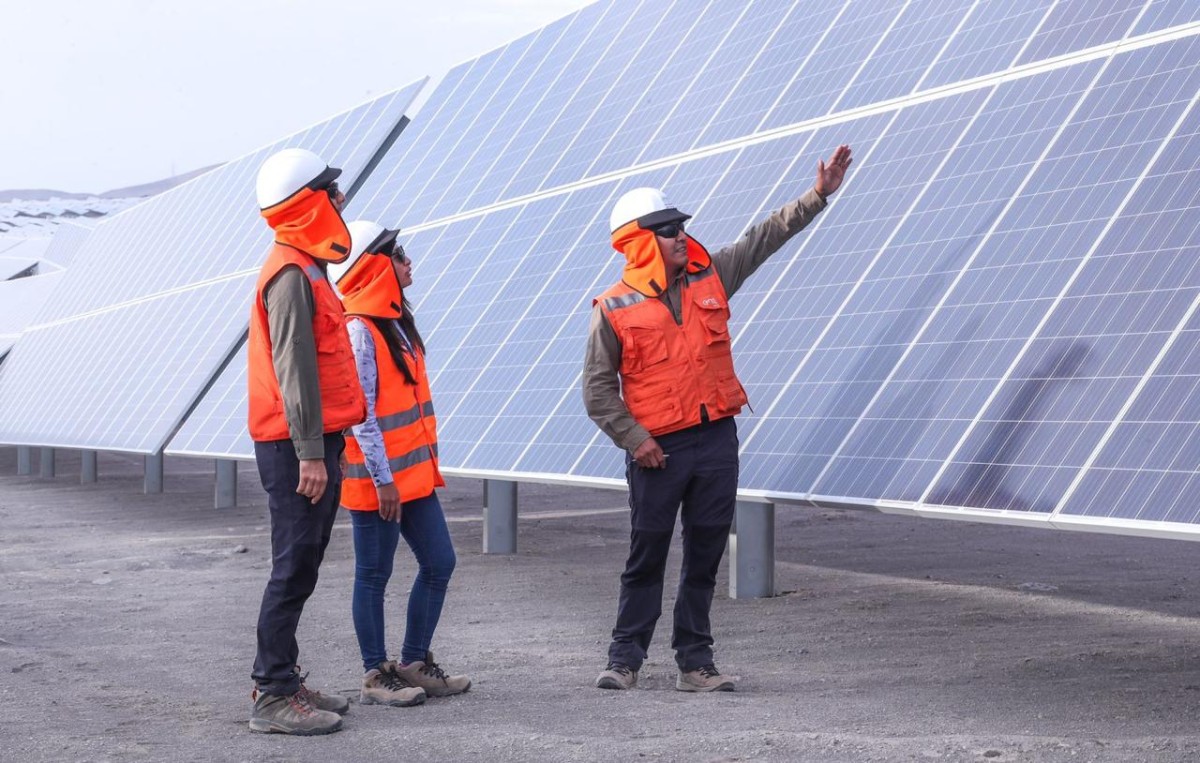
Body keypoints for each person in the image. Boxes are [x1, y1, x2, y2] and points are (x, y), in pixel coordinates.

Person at [584, 145, 853, 692]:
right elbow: (597, 390)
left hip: (715, 443)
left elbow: (763, 238)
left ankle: (694, 663)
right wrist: (636, 440)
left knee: (705, 554)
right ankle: (624, 659)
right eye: (668, 230)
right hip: (658, 452)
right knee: (647, 556)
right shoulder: (613, 308)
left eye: (681, 227)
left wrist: (817, 195)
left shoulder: (713, 275)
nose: (681, 236)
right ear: (639, 242)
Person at [246, 147, 366, 735]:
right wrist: (312, 453)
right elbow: (294, 369)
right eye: (330, 191)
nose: (341, 199)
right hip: (296, 446)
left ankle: (284, 679)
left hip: (313, 440)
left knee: (304, 564)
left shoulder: (306, 266)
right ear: (308, 204)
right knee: (293, 567)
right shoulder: (291, 273)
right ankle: (271, 695)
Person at [330, 219, 471, 708]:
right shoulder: (359, 330)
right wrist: (383, 480)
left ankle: (413, 663)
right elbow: (362, 416)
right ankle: (375, 674)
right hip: (380, 482)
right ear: (373, 266)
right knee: (373, 573)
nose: (408, 262)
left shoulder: (394, 324)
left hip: (411, 477)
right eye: (398, 253)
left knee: (439, 562)